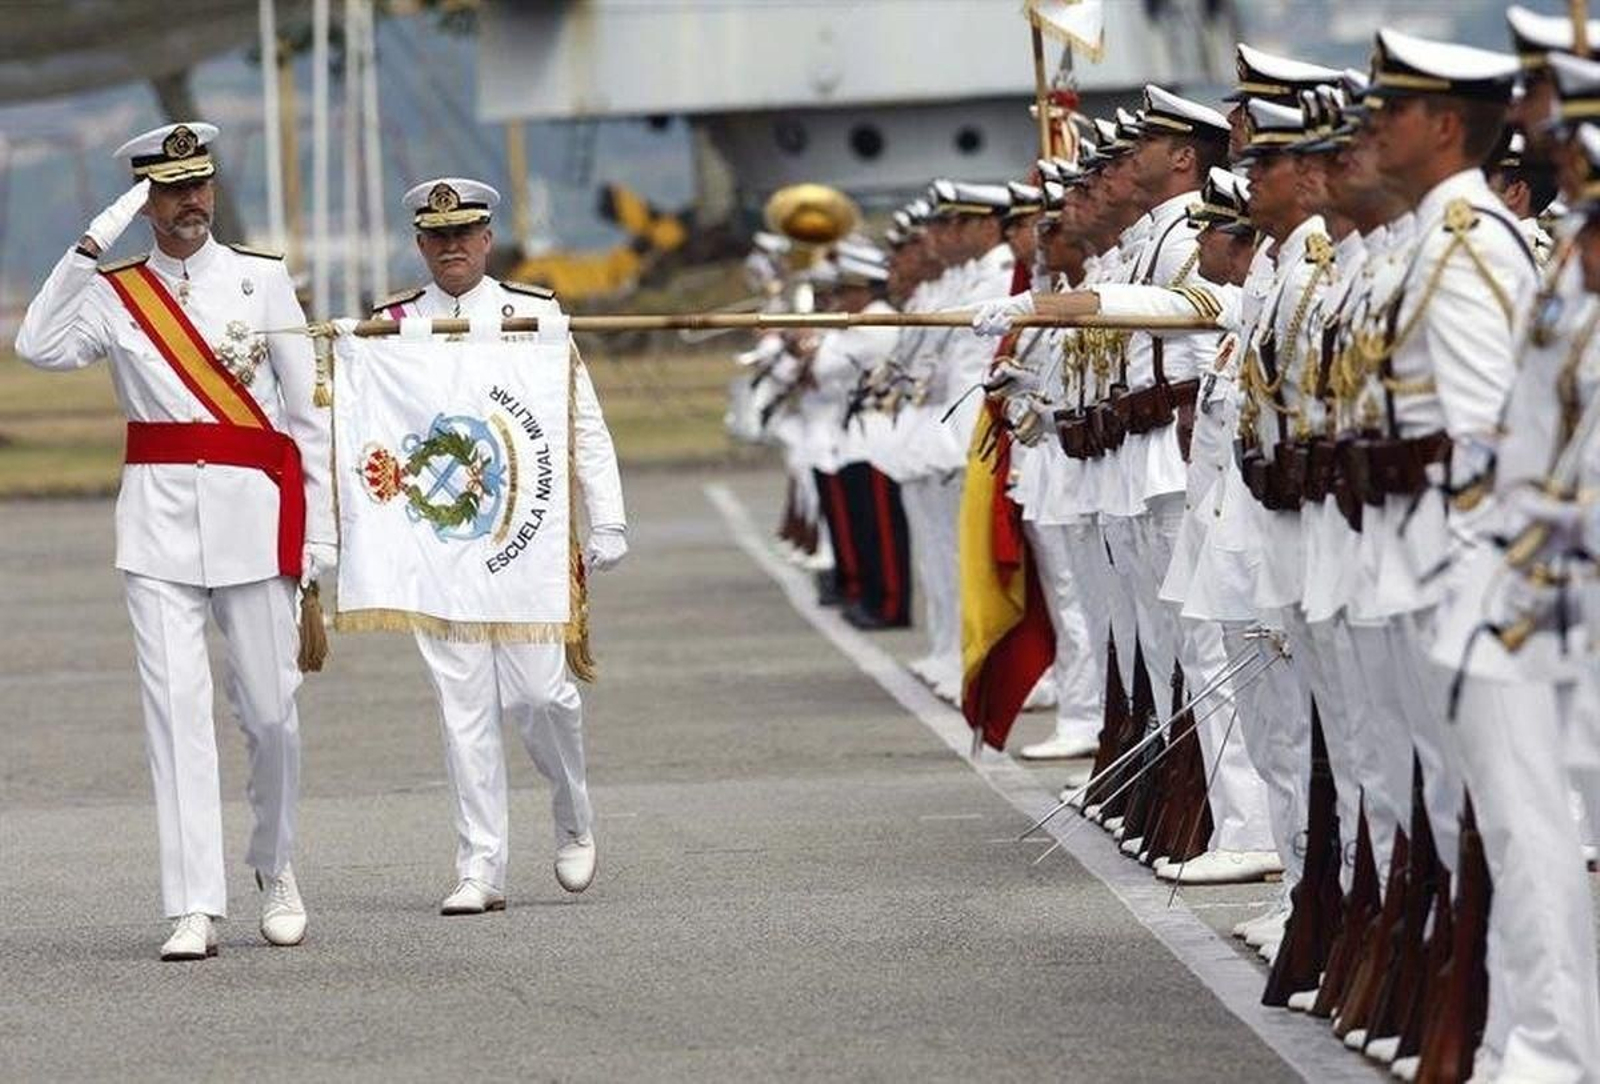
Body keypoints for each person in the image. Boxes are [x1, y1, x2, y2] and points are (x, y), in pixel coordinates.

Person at [14, 122, 333, 960]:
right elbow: (37, 344)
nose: (192, 201)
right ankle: (194, 903)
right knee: (176, 719)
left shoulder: (261, 282)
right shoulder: (116, 293)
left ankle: (278, 864)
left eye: (201, 183)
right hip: (155, 528)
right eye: (171, 188)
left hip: (255, 520)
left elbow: (308, 416)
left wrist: (322, 537)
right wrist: (96, 238)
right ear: (145, 199)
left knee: (271, 716)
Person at [376, 177, 626, 915]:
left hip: (527, 536)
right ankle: (480, 864)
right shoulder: (390, 327)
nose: (451, 247)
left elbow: (581, 420)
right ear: (421, 244)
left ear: (487, 239)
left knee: (541, 695)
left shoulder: (536, 316)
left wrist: (604, 517)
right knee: (463, 707)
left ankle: (573, 813)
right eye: (437, 237)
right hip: (441, 543)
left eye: (465, 235)